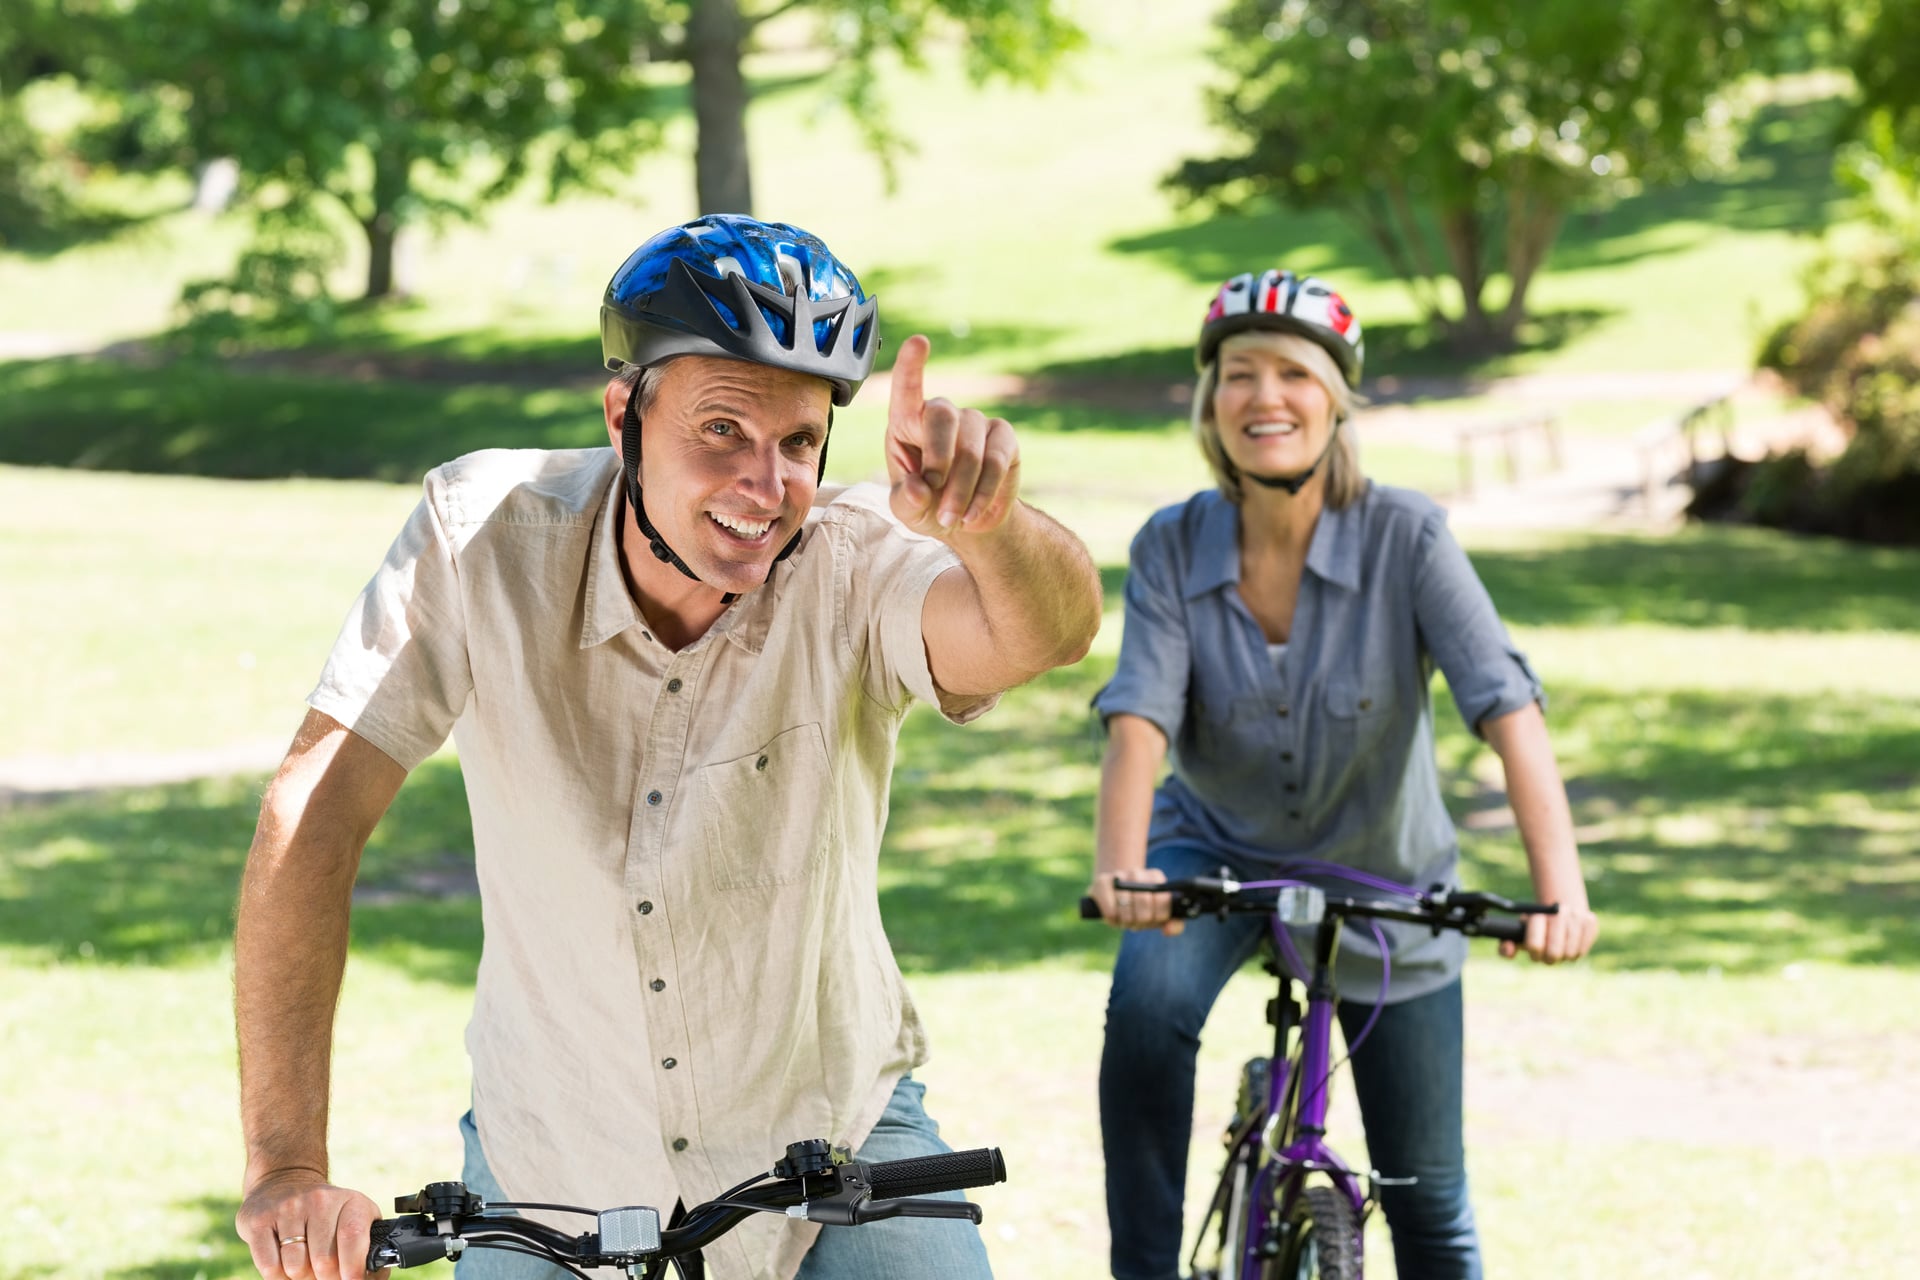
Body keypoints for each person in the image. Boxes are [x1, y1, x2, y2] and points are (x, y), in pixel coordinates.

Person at [231, 215, 1103, 1280]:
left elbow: (1044, 633)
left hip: (828, 1136)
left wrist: (989, 523)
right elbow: (312, 813)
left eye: (796, 442)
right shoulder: (480, 539)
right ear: (623, 414)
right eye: (723, 430)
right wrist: (285, 1163)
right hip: (552, 1152)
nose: (765, 483)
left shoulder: (854, 559)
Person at [1084, 269, 1600, 1280]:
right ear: (1209, 400)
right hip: (1213, 855)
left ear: (1336, 400)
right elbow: (1140, 716)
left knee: (1428, 1199)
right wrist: (1124, 867)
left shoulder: (1407, 535)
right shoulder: (1170, 543)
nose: (1263, 395)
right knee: (1145, 1012)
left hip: (1385, 872)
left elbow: (1505, 706)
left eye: (1292, 372)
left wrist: (1561, 890)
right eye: (1238, 373)